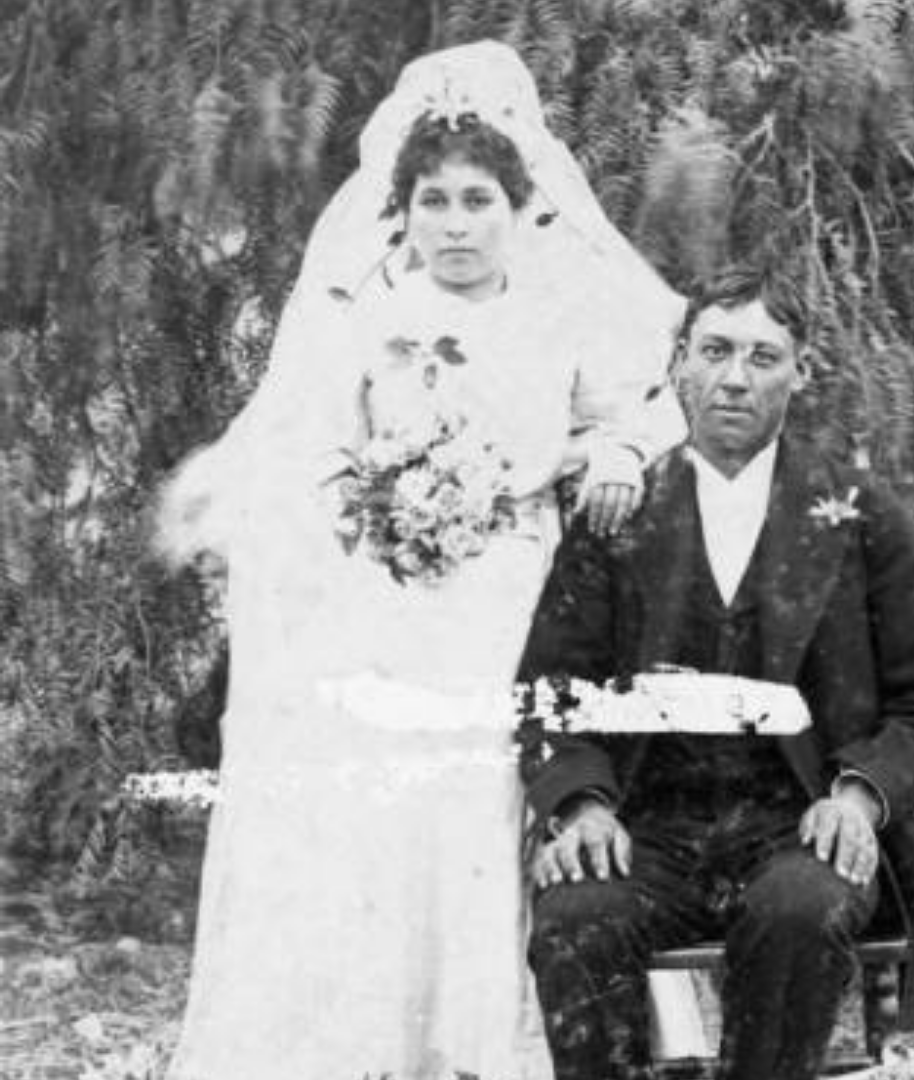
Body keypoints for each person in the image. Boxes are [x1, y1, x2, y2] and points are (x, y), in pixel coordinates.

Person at [160, 41, 685, 1080]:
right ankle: (377, 1036)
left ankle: (493, 1039)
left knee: (492, 747)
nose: (454, 223)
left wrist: (616, 449)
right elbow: (307, 450)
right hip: (390, 582)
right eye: (434, 201)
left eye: (477, 199)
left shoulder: (564, 313)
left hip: (521, 581)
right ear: (400, 211)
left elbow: (649, 410)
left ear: (518, 206)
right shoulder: (369, 320)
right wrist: (375, 506)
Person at [518, 264, 914, 1080]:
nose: (735, 377)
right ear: (678, 365)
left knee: (802, 912)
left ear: (801, 373)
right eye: (715, 350)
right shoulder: (616, 516)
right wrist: (583, 805)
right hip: (648, 824)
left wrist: (859, 796)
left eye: (764, 357)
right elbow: (551, 693)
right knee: (578, 914)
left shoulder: (863, 514)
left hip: (797, 821)